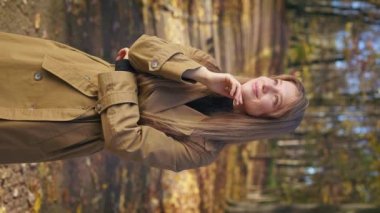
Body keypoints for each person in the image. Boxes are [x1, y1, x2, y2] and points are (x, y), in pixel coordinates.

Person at [0, 32, 308, 171]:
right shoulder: (208, 67)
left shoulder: (201, 150)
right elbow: (145, 47)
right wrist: (203, 76)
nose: (266, 86)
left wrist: (122, 74)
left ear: (267, 120)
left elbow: (125, 139)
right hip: (64, 73)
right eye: (275, 81)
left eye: (274, 97)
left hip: (56, 125)